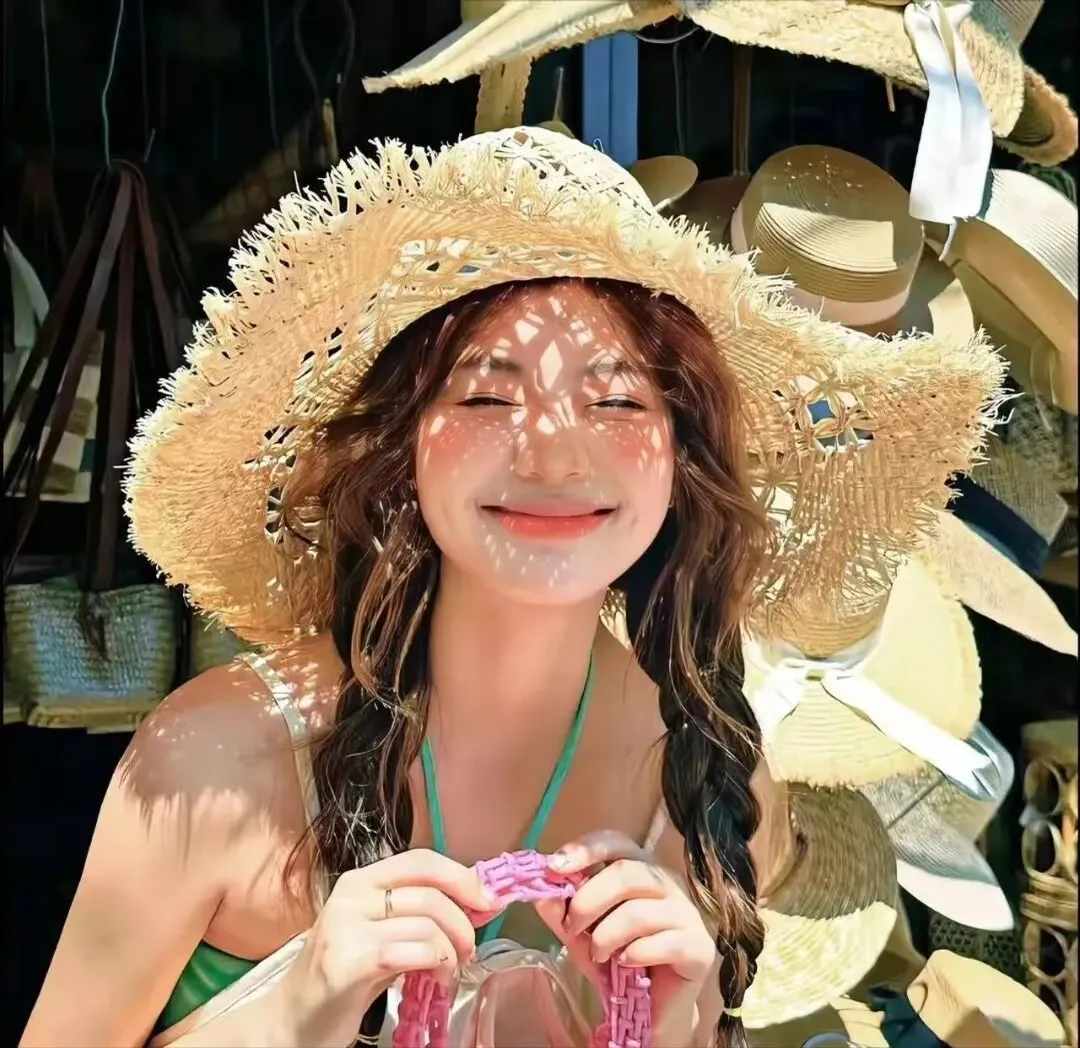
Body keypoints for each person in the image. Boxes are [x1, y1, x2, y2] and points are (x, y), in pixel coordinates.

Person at [20, 127, 1000, 1048]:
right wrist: (296, 1011)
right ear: (400, 445)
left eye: (617, 400)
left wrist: (669, 1025)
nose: (554, 454)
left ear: (683, 458)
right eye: (488, 395)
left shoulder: (707, 779)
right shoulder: (218, 760)